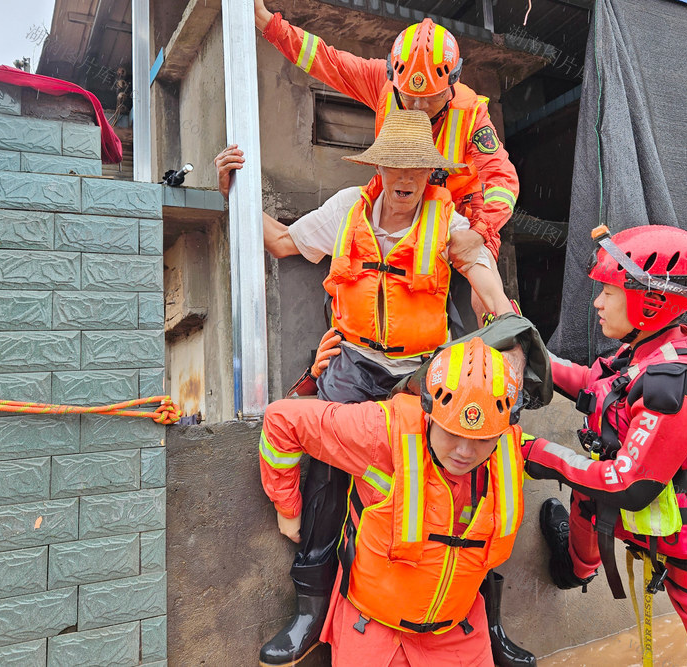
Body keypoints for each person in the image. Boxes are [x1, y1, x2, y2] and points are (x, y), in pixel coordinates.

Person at [218, 109, 532, 666]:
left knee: (468, 481)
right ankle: (311, 610)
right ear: (379, 166)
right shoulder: (346, 210)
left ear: (431, 171)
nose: (406, 176)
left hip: (421, 372)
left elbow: (483, 275)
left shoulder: (448, 220)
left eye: (418, 165)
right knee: (328, 472)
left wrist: (509, 331)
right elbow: (282, 243)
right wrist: (233, 193)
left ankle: (487, 619)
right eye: (396, 164)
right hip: (355, 363)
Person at [521, 224, 687, 667]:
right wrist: (535, 356)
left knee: (596, 480)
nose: (597, 302)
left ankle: (576, 564)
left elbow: (629, 484)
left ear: (652, 300)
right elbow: (597, 384)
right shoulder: (654, 349)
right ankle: (575, 567)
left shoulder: (680, 385)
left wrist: (534, 452)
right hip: (685, 551)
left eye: (608, 290)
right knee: (589, 491)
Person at [259, 336, 526, 667]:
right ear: (428, 411)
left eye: (481, 439)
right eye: (451, 433)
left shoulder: (510, 448)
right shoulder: (379, 431)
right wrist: (287, 507)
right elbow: (282, 420)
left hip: (459, 634)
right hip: (372, 630)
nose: (464, 452)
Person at [253, 0, 520, 316]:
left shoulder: (471, 113)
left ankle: (507, 357)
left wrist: (479, 233)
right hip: (402, 203)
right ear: (394, 77)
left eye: (430, 100)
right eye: (410, 98)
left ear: (453, 82)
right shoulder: (382, 83)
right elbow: (324, 59)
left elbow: (502, 179)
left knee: (486, 296)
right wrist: (267, 22)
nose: (419, 109)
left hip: (462, 210)